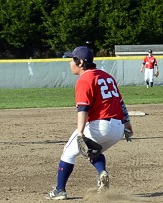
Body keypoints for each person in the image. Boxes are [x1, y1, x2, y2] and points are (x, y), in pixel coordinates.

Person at [46, 46, 133, 200]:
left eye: (72, 59)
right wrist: (127, 124)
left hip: (100, 125)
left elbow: (83, 108)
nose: (69, 63)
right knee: (92, 151)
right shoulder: (107, 76)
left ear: (80, 62)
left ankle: (59, 190)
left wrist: (80, 133)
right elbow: (120, 101)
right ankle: (102, 174)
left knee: (68, 152)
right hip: (117, 128)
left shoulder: (85, 79)